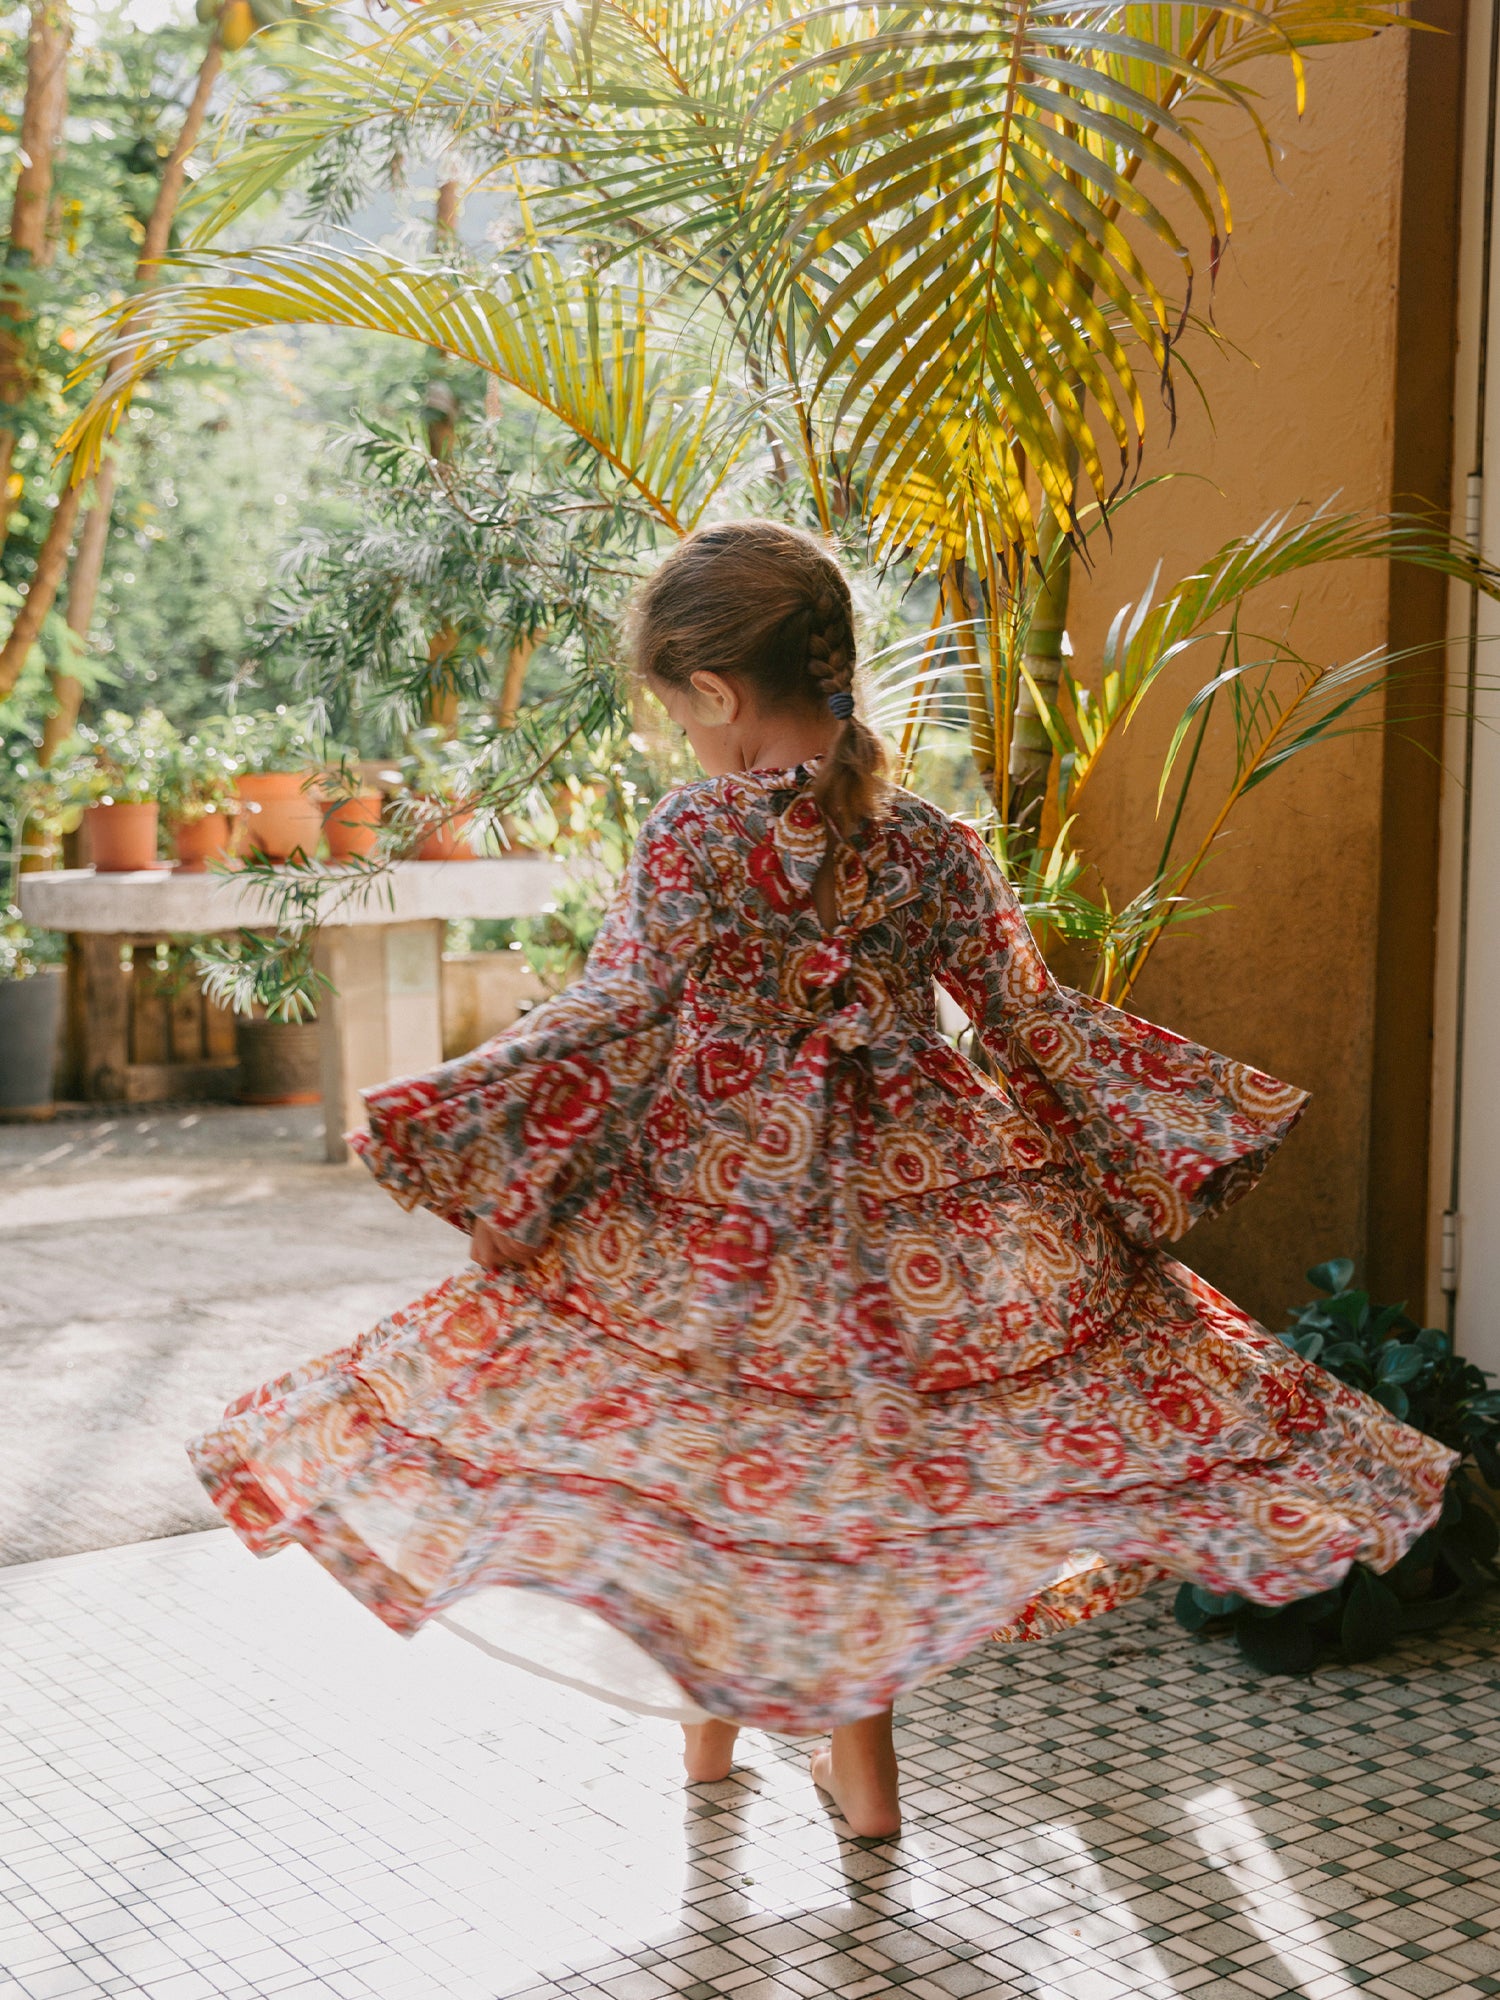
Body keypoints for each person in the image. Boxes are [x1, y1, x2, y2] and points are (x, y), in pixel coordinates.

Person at [190, 520, 1454, 1840]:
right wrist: (1141, 1170)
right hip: (917, 1215)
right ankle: (862, 1782)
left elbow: (619, 1014)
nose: (687, 739)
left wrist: (491, 1162)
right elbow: (1028, 1019)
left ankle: (710, 1748)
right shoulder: (937, 844)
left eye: (681, 711)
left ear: (721, 696)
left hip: (717, 1206)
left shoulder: (695, 836)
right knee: (855, 1477)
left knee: (710, 1457)